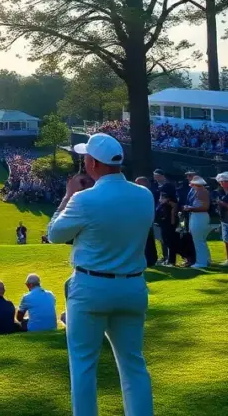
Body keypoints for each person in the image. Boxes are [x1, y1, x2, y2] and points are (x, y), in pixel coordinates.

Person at [49, 133, 154, 416]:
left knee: (83, 366)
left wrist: (69, 195)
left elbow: (54, 234)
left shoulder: (84, 199)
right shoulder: (144, 195)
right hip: (132, 287)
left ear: (93, 163)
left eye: (85, 158)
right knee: (133, 364)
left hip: (91, 288)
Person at [182, 176, 211, 269]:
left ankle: (201, 262)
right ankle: (206, 259)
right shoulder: (198, 192)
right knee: (200, 240)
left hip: (200, 216)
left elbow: (205, 207)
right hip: (197, 216)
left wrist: (190, 208)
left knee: (198, 240)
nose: (191, 185)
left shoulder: (202, 192)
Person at [154, 190, 179, 266]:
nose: (160, 199)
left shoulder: (170, 206)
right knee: (166, 242)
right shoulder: (162, 205)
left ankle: (171, 261)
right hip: (163, 226)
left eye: (162, 197)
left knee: (170, 244)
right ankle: (168, 259)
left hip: (168, 226)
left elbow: (172, 219)